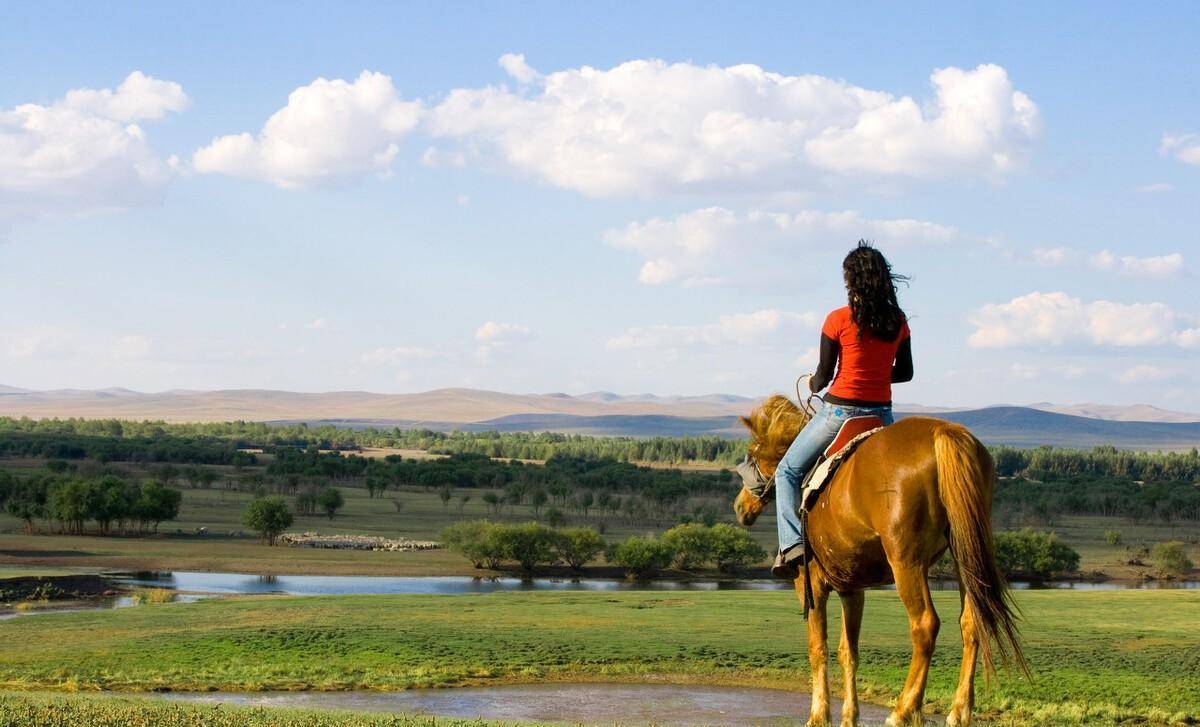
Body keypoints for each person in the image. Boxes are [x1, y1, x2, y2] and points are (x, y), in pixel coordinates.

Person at [772, 241, 913, 578]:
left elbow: (822, 377)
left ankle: (791, 544)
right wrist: (877, 373)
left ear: (850, 280)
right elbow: (906, 373)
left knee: (786, 472)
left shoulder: (838, 319)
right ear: (883, 278)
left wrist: (812, 384)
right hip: (881, 416)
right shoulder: (898, 321)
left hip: (839, 413)